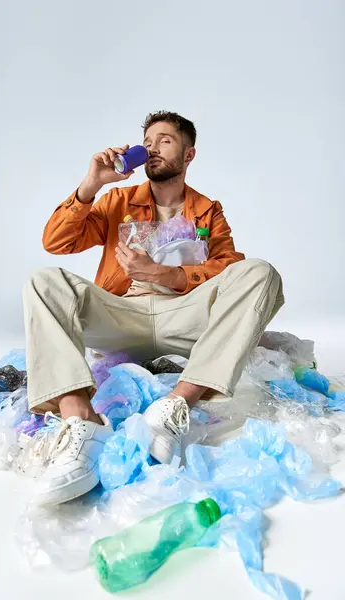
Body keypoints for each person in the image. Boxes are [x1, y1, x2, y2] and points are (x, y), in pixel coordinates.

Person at [23, 111, 284, 506]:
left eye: (164, 141)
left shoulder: (207, 210)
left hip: (184, 317)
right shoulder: (117, 201)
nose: (152, 148)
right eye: (147, 142)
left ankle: (175, 405)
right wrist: (91, 183)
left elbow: (229, 269)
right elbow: (57, 241)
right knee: (43, 280)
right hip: (121, 316)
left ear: (188, 154)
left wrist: (166, 274)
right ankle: (81, 421)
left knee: (260, 273)